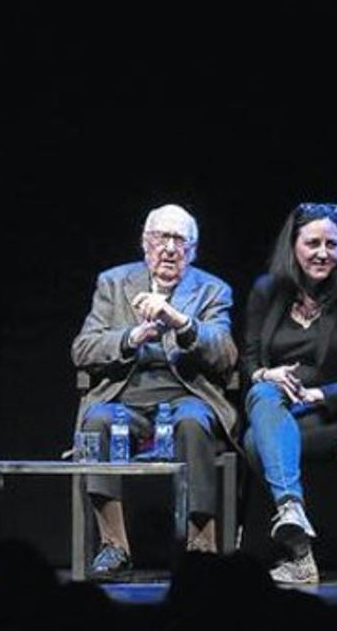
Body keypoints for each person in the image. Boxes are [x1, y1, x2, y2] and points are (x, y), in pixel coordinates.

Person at [71, 204, 238, 580]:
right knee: (96, 421)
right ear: (145, 244)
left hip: (186, 398)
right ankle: (114, 546)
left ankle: (201, 545)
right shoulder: (113, 283)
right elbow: (83, 348)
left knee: (193, 423)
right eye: (161, 237)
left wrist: (178, 321)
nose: (169, 248)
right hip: (124, 399)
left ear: (192, 250)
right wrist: (130, 338)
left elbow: (225, 353)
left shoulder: (213, 290)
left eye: (179, 239)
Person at [241, 202, 337, 584]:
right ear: (293, 245)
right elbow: (248, 363)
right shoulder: (266, 292)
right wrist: (269, 373)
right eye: (313, 243)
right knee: (265, 391)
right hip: (275, 404)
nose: (322, 253)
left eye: (331, 245)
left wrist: (314, 395)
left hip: (334, 413)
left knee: (256, 442)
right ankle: (292, 510)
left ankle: (298, 548)